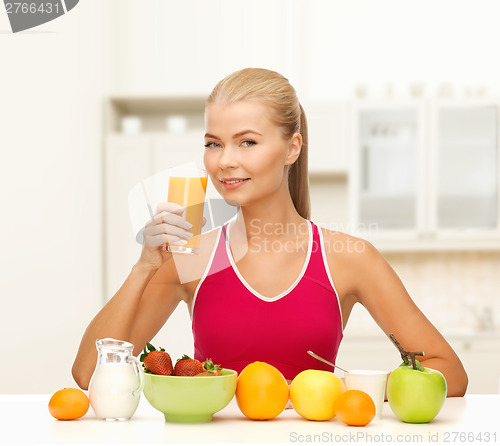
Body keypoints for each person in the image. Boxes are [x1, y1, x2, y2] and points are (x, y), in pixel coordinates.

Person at [72, 68, 468, 397]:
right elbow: (89, 374)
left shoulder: (349, 257)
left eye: (247, 142)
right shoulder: (190, 255)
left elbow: (448, 371)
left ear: (292, 148)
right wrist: (144, 267)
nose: (225, 161)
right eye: (214, 144)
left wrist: (357, 391)